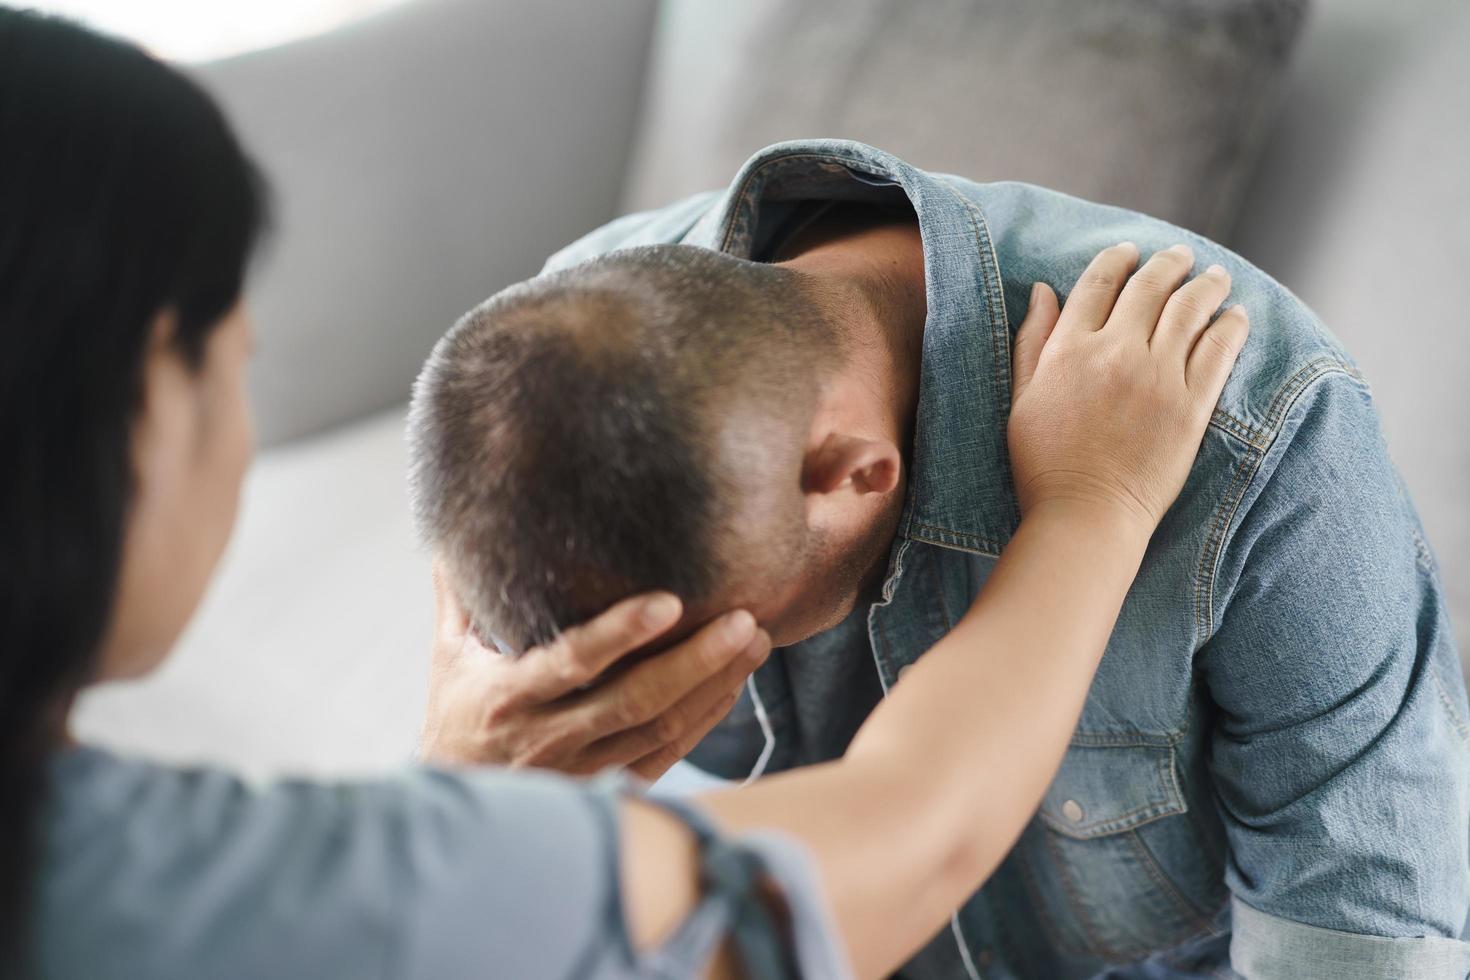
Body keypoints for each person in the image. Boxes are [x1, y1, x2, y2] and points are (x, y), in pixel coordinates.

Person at [0, 10, 1248, 979]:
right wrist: (1093, 502)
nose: (247, 400)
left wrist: (449, 809)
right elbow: (905, 840)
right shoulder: (179, 883)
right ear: (119, 413)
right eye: (227, 359)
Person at [406, 139, 1470, 978]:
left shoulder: (1247, 423)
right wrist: (470, 806)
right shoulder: (540, 419)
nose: (672, 688)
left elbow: (1360, 934)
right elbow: (888, 838)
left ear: (848, 474)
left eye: (725, 640)